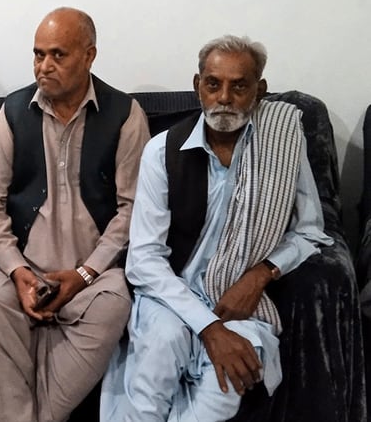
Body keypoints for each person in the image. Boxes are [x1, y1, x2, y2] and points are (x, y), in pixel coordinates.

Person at [100, 35, 333, 422]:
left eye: (239, 86)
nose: (224, 97)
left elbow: (310, 229)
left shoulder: (284, 143)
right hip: (171, 297)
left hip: (240, 302)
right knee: (151, 383)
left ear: (259, 91)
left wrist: (261, 274)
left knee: (221, 396)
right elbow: (143, 259)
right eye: (213, 84)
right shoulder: (162, 151)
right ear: (198, 87)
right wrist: (208, 327)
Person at [0, 7, 151, 422]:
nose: (44, 66)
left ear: (89, 55)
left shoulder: (125, 115)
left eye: (58, 55)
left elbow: (133, 208)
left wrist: (86, 273)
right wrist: (17, 271)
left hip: (95, 274)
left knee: (115, 305)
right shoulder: (12, 112)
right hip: (22, 268)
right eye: (38, 54)